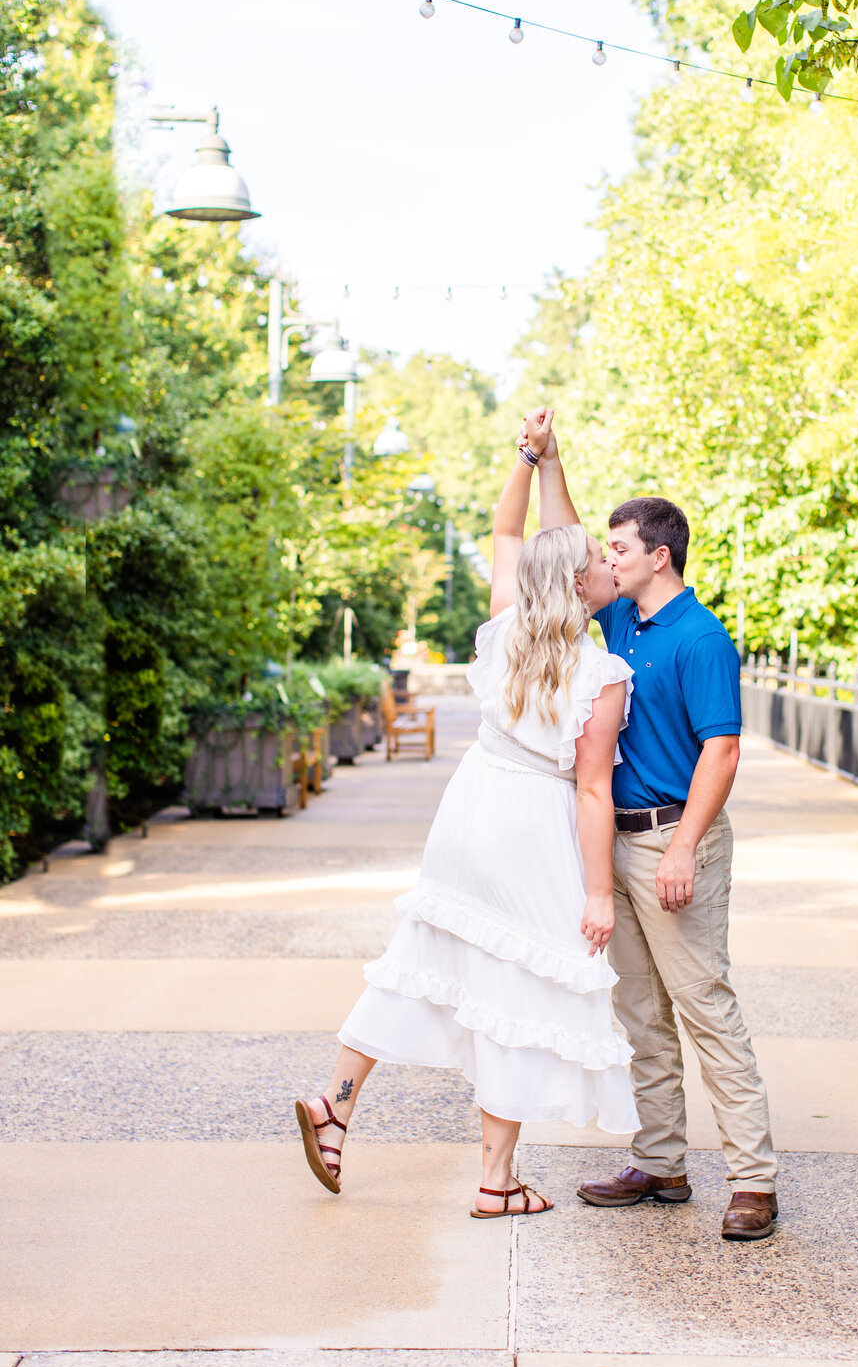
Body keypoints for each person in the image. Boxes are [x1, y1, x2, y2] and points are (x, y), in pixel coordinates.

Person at [295, 408, 637, 1217]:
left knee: (418, 955)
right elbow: (592, 790)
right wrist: (599, 892)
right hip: (532, 827)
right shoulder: (603, 671)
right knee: (520, 989)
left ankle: (335, 1104)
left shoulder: (504, 630)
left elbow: (507, 527)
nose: (608, 564)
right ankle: (495, 1179)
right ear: (582, 584)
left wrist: (532, 457)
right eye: (600, 560)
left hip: (471, 805)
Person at [532, 421, 778, 1241]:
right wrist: (551, 460)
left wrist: (681, 848)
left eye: (618, 550)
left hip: (679, 840)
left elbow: (725, 750)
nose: (604, 562)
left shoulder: (701, 638)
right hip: (620, 841)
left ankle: (754, 1181)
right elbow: (564, 543)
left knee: (706, 1007)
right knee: (639, 1012)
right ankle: (663, 1161)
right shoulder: (624, 623)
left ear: (658, 557)